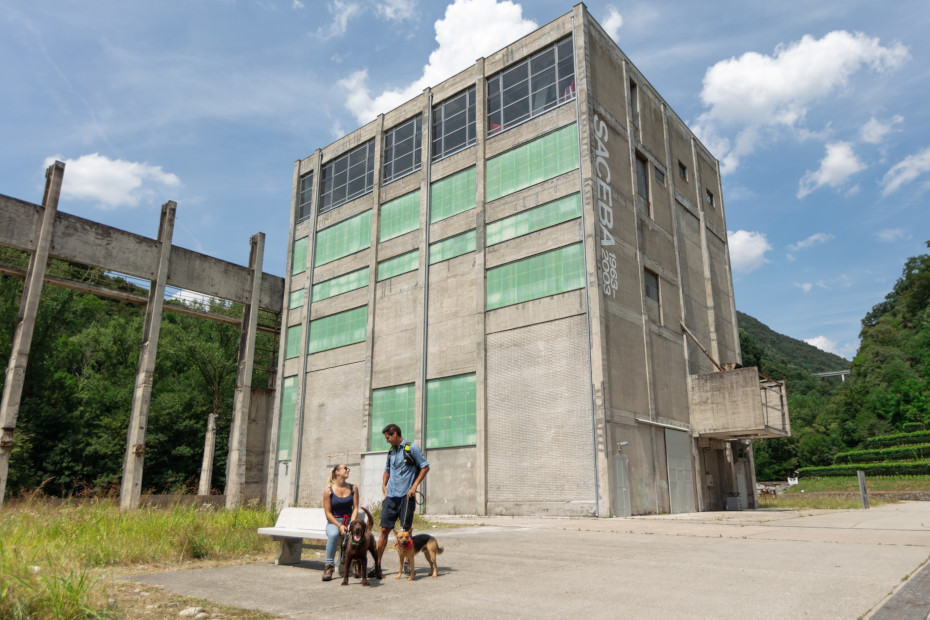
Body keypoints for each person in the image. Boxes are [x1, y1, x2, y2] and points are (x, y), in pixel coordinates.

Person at [369, 423, 429, 578]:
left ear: (394, 434)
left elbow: (425, 466)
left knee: (406, 530)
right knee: (383, 530)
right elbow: (387, 470)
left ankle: (408, 564)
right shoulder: (391, 452)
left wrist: (414, 486)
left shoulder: (411, 448)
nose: (387, 440)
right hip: (391, 497)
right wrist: (384, 485)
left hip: (406, 497)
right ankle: (377, 565)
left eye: (388, 437)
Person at [322, 463, 358, 581]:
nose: (348, 470)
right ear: (337, 472)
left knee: (356, 534)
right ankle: (329, 566)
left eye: (348, 468)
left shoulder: (353, 488)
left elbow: (356, 508)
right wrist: (339, 525)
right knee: (333, 535)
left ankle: (355, 563)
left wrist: (351, 524)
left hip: (349, 520)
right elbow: (328, 514)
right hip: (334, 522)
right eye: (345, 468)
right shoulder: (328, 491)